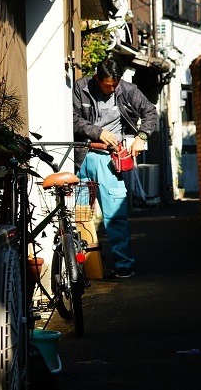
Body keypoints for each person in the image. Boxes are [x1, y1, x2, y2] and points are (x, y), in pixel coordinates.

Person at [72, 58, 157, 278]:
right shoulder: (80, 88)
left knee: (115, 213)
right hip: (81, 155)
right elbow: (71, 119)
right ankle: (85, 264)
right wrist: (95, 131)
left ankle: (123, 263)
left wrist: (141, 136)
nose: (112, 88)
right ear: (97, 78)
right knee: (81, 214)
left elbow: (151, 113)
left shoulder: (127, 90)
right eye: (108, 85)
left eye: (115, 84)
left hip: (109, 159)